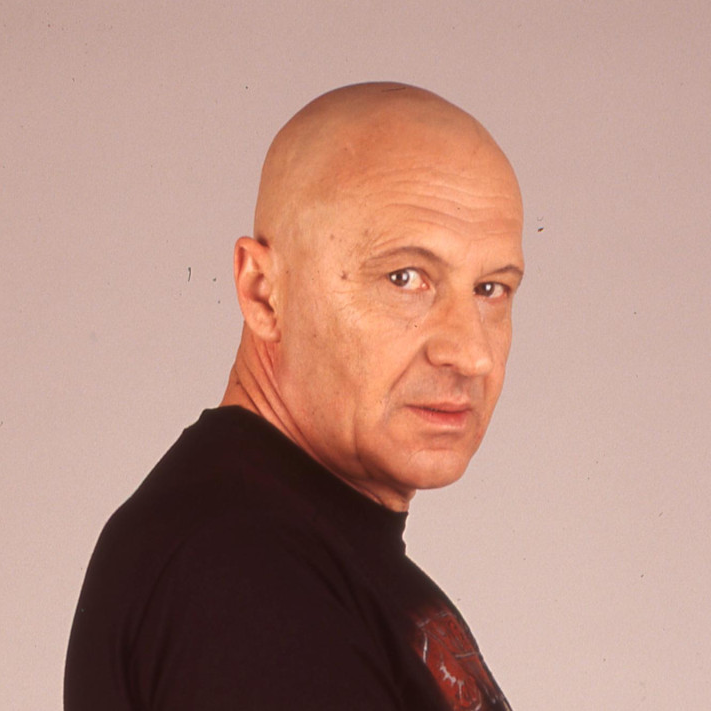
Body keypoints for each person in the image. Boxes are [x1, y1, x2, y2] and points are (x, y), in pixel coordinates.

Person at [65, 82, 524, 711]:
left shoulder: (298, 555)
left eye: (491, 289)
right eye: (405, 278)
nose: (471, 354)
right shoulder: (241, 571)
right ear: (262, 292)